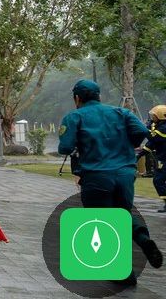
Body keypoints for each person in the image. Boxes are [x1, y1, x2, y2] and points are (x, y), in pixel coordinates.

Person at [58, 80, 163, 284]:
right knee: (122, 214)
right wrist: (124, 146)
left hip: (96, 176)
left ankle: (123, 274)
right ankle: (143, 239)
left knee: (103, 221)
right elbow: (142, 132)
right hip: (125, 173)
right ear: (99, 96)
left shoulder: (75, 116)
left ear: (77, 98)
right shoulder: (121, 113)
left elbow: (65, 147)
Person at [148, 105, 166, 212]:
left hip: (164, 159)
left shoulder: (163, 128)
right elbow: (152, 144)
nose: (152, 117)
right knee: (158, 180)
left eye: (154, 115)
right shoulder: (160, 126)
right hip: (162, 158)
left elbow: (153, 139)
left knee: (158, 180)